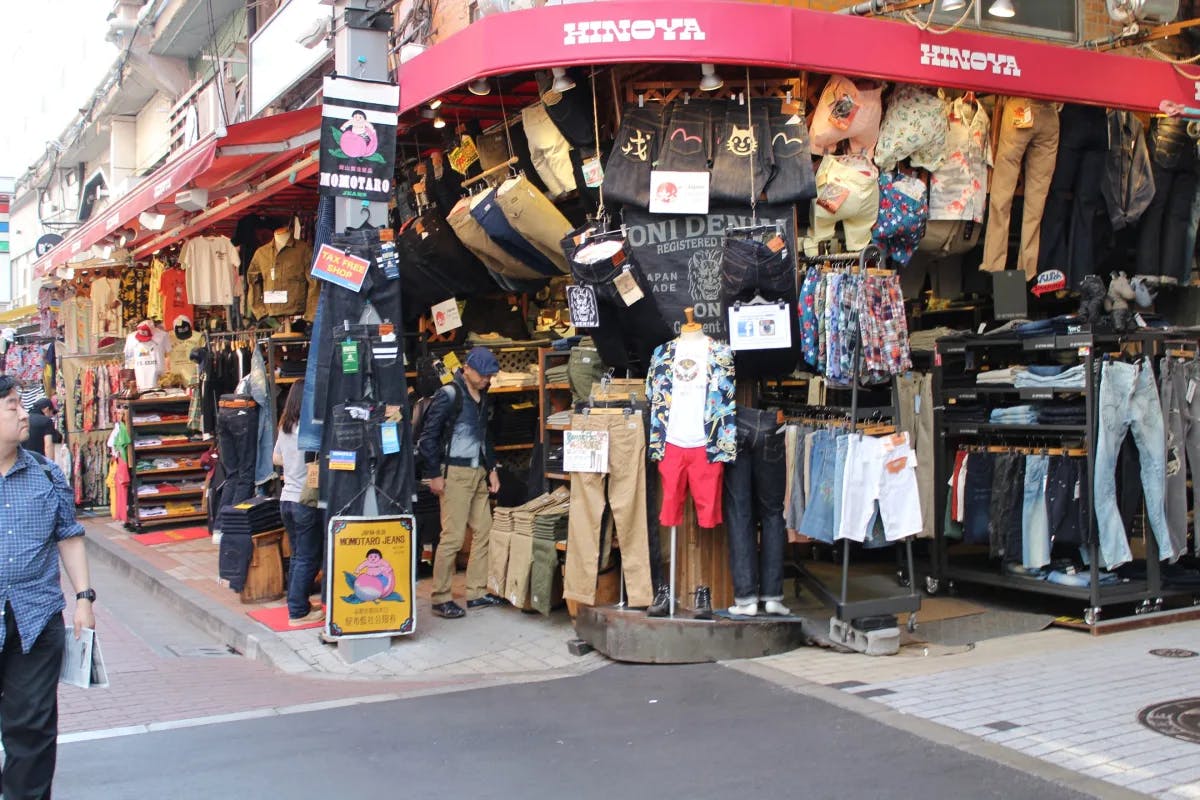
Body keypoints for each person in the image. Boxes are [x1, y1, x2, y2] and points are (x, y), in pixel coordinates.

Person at [0, 374, 94, 798]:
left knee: (32, 727)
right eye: (13, 406)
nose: (25, 414)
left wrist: (83, 598)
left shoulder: (45, 474)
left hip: (35, 618)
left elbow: (68, 535)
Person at [417, 347, 505, 619]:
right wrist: (435, 474)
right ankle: (440, 597)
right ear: (466, 368)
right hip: (454, 473)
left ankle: (477, 591)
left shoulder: (482, 396)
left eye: (489, 376)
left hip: (477, 471)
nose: (486, 380)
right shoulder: (449, 395)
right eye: (482, 375)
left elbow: (484, 435)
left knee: (484, 531)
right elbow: (428, 438)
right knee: (452, 538)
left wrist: (492, 469)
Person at [272, 380, 324, 627]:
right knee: (307, 556)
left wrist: (292, 467)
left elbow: (276, 457)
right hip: (305, 500)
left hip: (286, 499)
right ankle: (297, 610)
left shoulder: (285, 426)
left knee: (297, 555)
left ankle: (298, 603)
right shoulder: (311, 428)